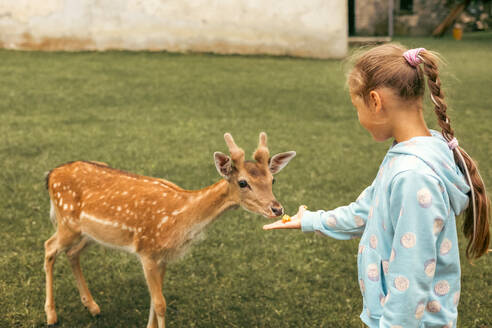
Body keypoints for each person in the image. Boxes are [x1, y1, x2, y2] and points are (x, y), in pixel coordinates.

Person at [263, 44, 490, 327]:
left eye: (356, 106)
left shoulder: (413, 175)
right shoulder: (415, 151)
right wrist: (311, 220)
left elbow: (412, 276)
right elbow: (367, 210)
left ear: (374, 101)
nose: (358, 117)